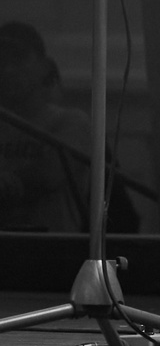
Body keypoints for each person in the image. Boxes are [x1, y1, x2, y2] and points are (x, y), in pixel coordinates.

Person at [0, 22, 92, 232]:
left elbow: (49, 175)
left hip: (52, 253)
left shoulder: (71, 123)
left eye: (18, 58)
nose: (7, 69)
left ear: (44, 66)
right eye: (1, 60)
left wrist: (9, 183)